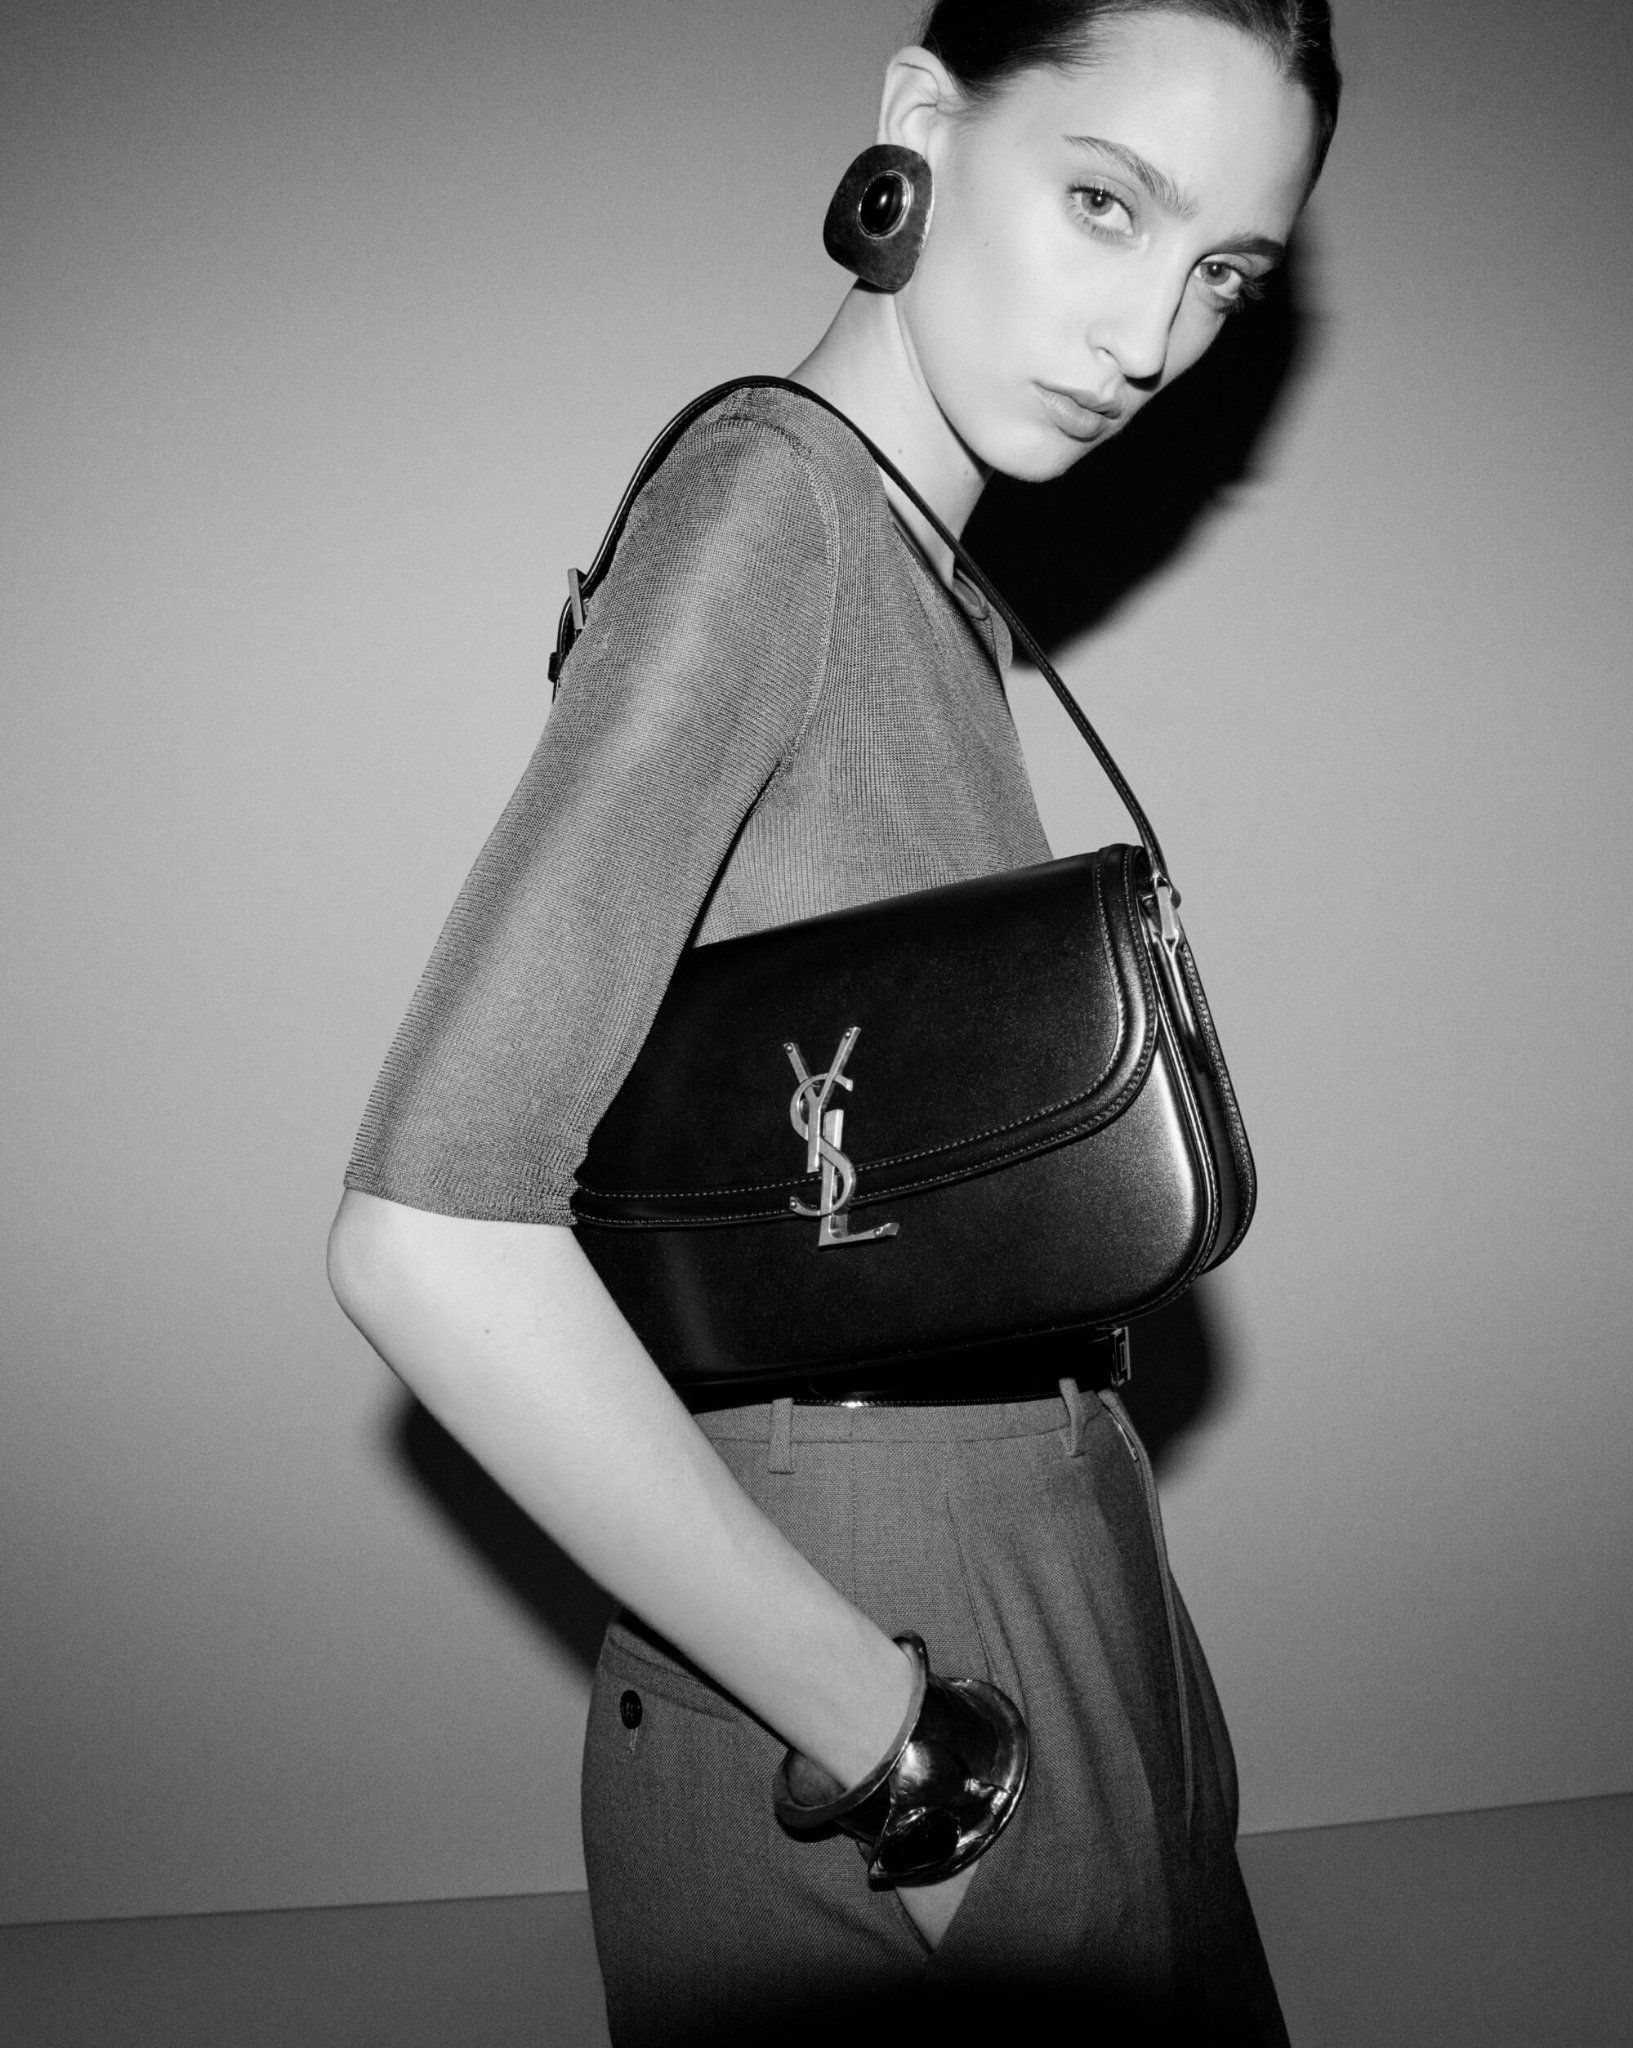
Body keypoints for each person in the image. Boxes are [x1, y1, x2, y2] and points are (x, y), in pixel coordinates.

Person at [328, 2, 1340, 2041]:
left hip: (1045, 1571)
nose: (1150, 336)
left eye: (1223, 274)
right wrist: (898, 1753)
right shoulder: (772, 511)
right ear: (917, 124)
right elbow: (425, 1238)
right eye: (1105, 203)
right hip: (887, 1652)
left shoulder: (917, 581)